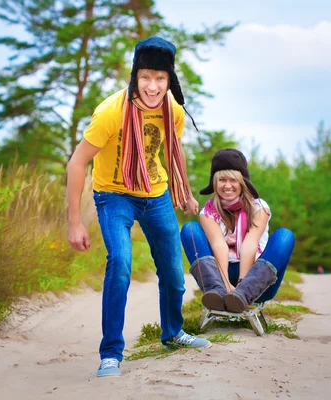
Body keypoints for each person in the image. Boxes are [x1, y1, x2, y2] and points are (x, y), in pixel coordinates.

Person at [67, 36, 211, 378]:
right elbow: (77, 164)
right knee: (120, 263)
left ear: (169, 80)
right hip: (114, 195)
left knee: (174, 274)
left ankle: (173, 333)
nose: (152, 86)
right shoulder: (110, 112)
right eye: (146, 77)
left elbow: (174, 149)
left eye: (160, 78)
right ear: (135, 76)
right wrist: (75, 221)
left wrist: (185, 191)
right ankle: (111, 353)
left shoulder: (172, 110)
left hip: (156, 193)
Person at [180, 149, 295, 313]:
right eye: (222, 180)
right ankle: (217, 290)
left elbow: (250, 243)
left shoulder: (259, 207)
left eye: (232, 180)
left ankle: (242, 295)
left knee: (285, 236)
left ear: (242, 182)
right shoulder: (208, 213)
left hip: (256, 279)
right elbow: (218, 244)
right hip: (219, 276)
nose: (227, 186)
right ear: (214, 182)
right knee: (190, 229)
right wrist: (225, 284)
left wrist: (242, 284)